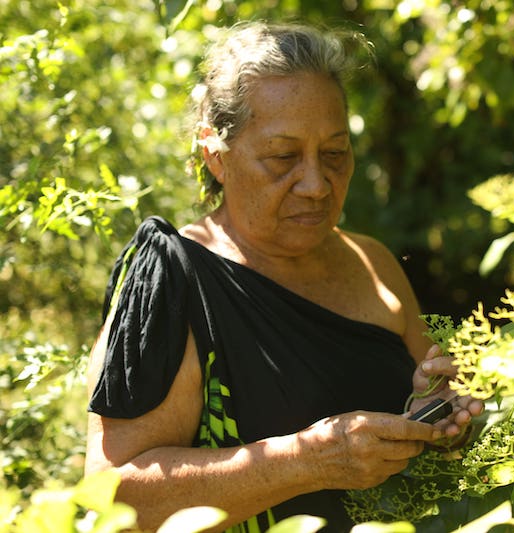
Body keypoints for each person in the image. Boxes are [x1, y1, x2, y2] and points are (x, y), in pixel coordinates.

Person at [83, 20, 482, 533]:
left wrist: (435, 419)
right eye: (282, 157)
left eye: (335, 153)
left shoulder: (373, 263)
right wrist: (306, 460)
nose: (317, 184)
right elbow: (111, 496)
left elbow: (427, 423)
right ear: (215, 155)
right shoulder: (175, 278)